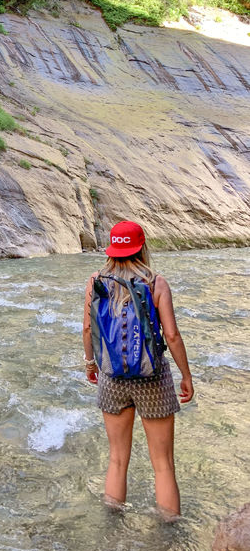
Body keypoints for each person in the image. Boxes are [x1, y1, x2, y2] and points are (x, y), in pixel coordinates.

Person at [82, 220, 194, 518]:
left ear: (112, 248)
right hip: (153, 379)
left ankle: (112, 528)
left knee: (117, 459)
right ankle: (169, 534)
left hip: (112, 377)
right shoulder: (156, 283)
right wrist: (186, 375)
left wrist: (91, 363)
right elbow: (171, 335)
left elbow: (87, 329)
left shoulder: (96, 281)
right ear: (142, 247)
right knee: (163, 464)